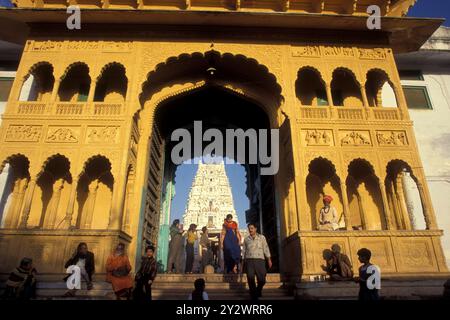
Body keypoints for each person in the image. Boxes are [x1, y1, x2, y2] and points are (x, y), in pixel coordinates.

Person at [242, 223, 272, 300]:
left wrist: (269, 259)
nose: (250, 230)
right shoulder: (246, 239)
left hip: (260, 260)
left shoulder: (262, 238)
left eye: (252, 228)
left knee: (262, 279)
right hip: (249, 260)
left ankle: (258, 290)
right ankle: (254, 296)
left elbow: (266, 248)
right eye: (249, 228)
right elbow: (244, 251)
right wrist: (242, 262)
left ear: (256, 229)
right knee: (250, 278)